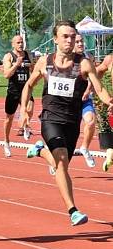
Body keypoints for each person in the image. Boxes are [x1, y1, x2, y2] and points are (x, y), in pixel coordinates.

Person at [20, 20, 113, 226]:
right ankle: (73, 210)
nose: (70, 40)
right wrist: (24, 112)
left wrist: (110, 102)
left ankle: (39, 150)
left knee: (61, 165)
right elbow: (28, 85)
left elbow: (99, 89)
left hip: (72, 122)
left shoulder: (84, 63)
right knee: (61, 161)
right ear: (55, 39)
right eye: (65, 36)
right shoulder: (45, 62)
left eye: (72, 36)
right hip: (50, 119)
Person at [73, 34, 109, 169]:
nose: (80, 43)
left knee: (91, 121)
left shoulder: (89, 57)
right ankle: (56, 160)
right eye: (77, 42)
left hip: (85, 99)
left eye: (81, 41)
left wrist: (88, 90)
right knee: (68, 134)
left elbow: (92, 78)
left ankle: (84, 148)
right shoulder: (66, 59)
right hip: (69, 101)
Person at [2, 35, 34, 156]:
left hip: (25, 89)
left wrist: (32, 66)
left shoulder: (28, 55)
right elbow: (6, 74)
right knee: (9, 118)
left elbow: (34, 70)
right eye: (18, 42)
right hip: (13, 91)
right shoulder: (9, 56)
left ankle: (25, 126)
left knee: (29, 108)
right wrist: (17, 64)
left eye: (22, 42)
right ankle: (6, 141)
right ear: (13, 44)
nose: (21, 44)